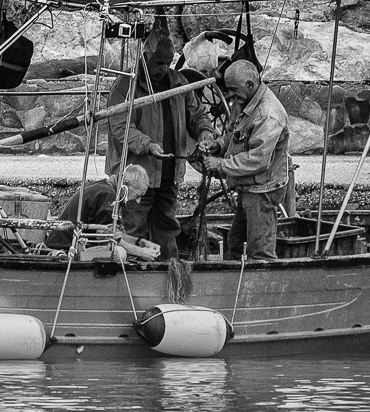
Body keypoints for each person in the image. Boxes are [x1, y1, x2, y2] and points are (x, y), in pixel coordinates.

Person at [105, 36, 216, 260]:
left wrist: (205, 133)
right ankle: (132, 275)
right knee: (132, 228)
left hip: (168, 175)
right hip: (136, 177)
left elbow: (197, 115)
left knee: (167, 227)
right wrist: (147, 145)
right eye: (158, 63)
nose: (164, 68)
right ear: (145, 57)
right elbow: (120, 127)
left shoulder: (180, 82)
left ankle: (168, 271)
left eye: (167, 62)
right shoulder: (126, 85)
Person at [201, 59, 290, 260]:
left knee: (260, 251)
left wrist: (221, 165)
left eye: (233, 89)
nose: (230, 94)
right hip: (249, 187)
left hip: (263, 190)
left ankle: (261, 286)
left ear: (250, 84)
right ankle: (232, 284)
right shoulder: (245, 102)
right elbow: (236, 135)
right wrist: (219, 145)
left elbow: (257, 159)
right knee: (234, 243)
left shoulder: (268, 114)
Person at [44, 164, 161, 261]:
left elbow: (113, 233)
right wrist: (141, 252)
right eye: (137, 195)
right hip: (66, 250)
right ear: (126, 185)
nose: (138, 201)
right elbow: (107, 239)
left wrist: (139, 242)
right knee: (119, 252)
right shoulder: (108, 195)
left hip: (68, 245)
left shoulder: (104, 188)